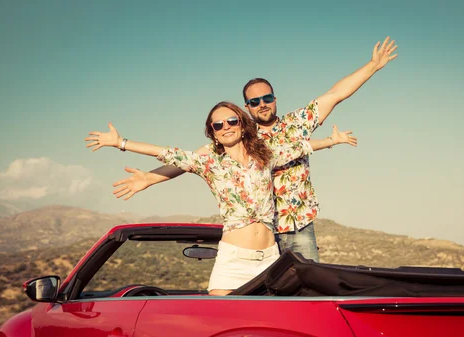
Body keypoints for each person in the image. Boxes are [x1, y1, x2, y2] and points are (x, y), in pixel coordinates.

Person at [108, 37, 398, 262]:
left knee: (308, 297)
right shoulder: (238, 134)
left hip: (299, 228)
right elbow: (192, 161)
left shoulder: (298, 123)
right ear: (246, 107)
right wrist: (149, 178)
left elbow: (335, 94)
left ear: (275, 98)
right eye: (254, 102)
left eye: (267, 98)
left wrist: (372, 66)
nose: (262, 104)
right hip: (263, 235)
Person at [84, 102, 356, 295]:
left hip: (271, 259)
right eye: (218, 124)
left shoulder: (265, 156)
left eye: (231, 121)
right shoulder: (210, 163)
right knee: (222, 321)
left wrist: (333, 141)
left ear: (242, 124)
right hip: (234, 261)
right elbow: (170, 154)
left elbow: (301, 147)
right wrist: (121, 143)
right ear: (212, 132)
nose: (225, 126)